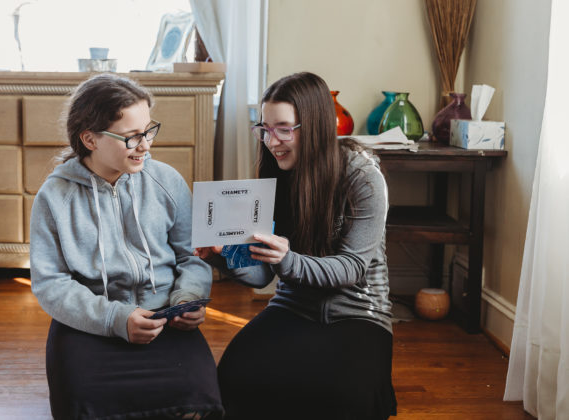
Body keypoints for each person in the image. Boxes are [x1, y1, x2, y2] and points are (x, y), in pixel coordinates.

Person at [195, 72, 397, 419]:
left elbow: (352, 268)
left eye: (284, 129)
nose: (272, 142)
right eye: (265, 128)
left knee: (345, 394)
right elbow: (260, 277)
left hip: (359, 312)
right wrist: (224, 257)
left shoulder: (362, 176)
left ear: (315, 125)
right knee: (234, 375)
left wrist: (287, 261)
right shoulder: (274, 176)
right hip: (294, 306)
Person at [30, 73, 223, 420]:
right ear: (90, 139)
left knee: (200, 402)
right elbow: (50, 284)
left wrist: (186, 299)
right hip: (88, 322)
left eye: (148, 131)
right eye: (132, 137)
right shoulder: (54, 197)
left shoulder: (167, 182)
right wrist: (115, 318)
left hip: (164, 319)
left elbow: (191, 256)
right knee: (81, 405)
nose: (146, 146)